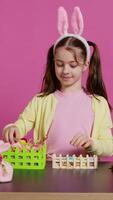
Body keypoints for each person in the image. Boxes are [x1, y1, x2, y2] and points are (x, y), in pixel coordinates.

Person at [2, 6, 113, 158]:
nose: (65, 70)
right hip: (49, 169)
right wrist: (13, 128)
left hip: (85, 172)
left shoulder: (99, 104)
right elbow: (22, 123)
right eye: (59, 64)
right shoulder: (41, 101)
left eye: (72, 65)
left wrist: (92, 143)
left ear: (85, 64)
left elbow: (109, 146)